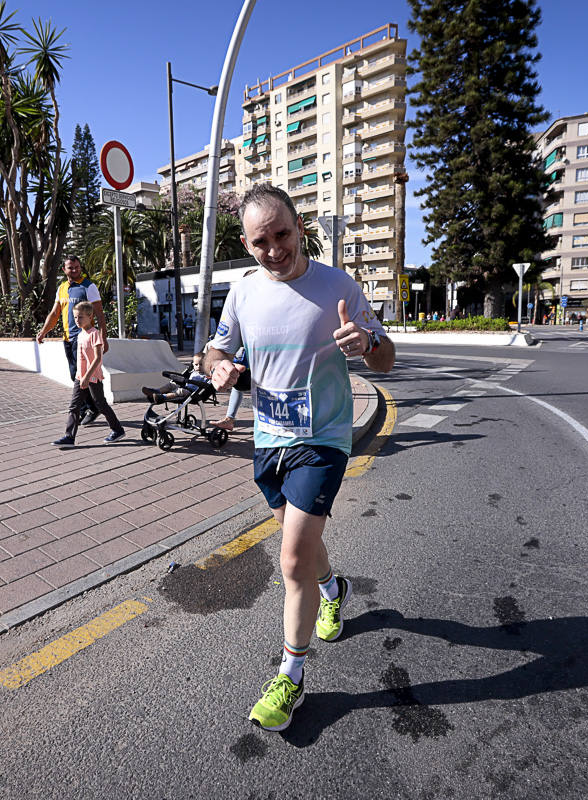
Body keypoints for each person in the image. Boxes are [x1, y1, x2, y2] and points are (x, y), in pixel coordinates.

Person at [205, 183, 395, 732]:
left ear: (299, 225)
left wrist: (367, 345)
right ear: (247, 242)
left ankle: (290, 675)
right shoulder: (243, 292)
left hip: (324, 440)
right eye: (260, 241)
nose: (274, 249)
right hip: (269, 441)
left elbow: (385, 359)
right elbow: (218, 347)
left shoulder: (337, 285)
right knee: (302, 544)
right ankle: (334, 589)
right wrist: (219, 366)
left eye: (282, 234)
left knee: (290, 561)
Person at [37, 256, 106, 425]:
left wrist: (103, 338)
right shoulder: (62, 288)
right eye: (71, 267)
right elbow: (54, 314)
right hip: (68, 338)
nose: (74, 270)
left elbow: (99, 313)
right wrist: (43, 332)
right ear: (64, 270)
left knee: (83, 376)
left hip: (84, 338)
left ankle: (92, 408)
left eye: (77, 267)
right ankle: (87, 408)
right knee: (74, 375)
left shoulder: (88, 286)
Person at [53, 301, 125, 447]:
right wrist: (81, 376)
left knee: (100, 404)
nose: (77, 320)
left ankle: (117, 430)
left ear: (90, 316)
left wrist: (87, 377)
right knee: (74, 406)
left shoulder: (94, 334)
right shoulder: (81, 334)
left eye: (80, 317)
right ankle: (69, 437)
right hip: (81, 377)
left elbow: (98, 358)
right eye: (75, 317)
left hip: (92, 377)